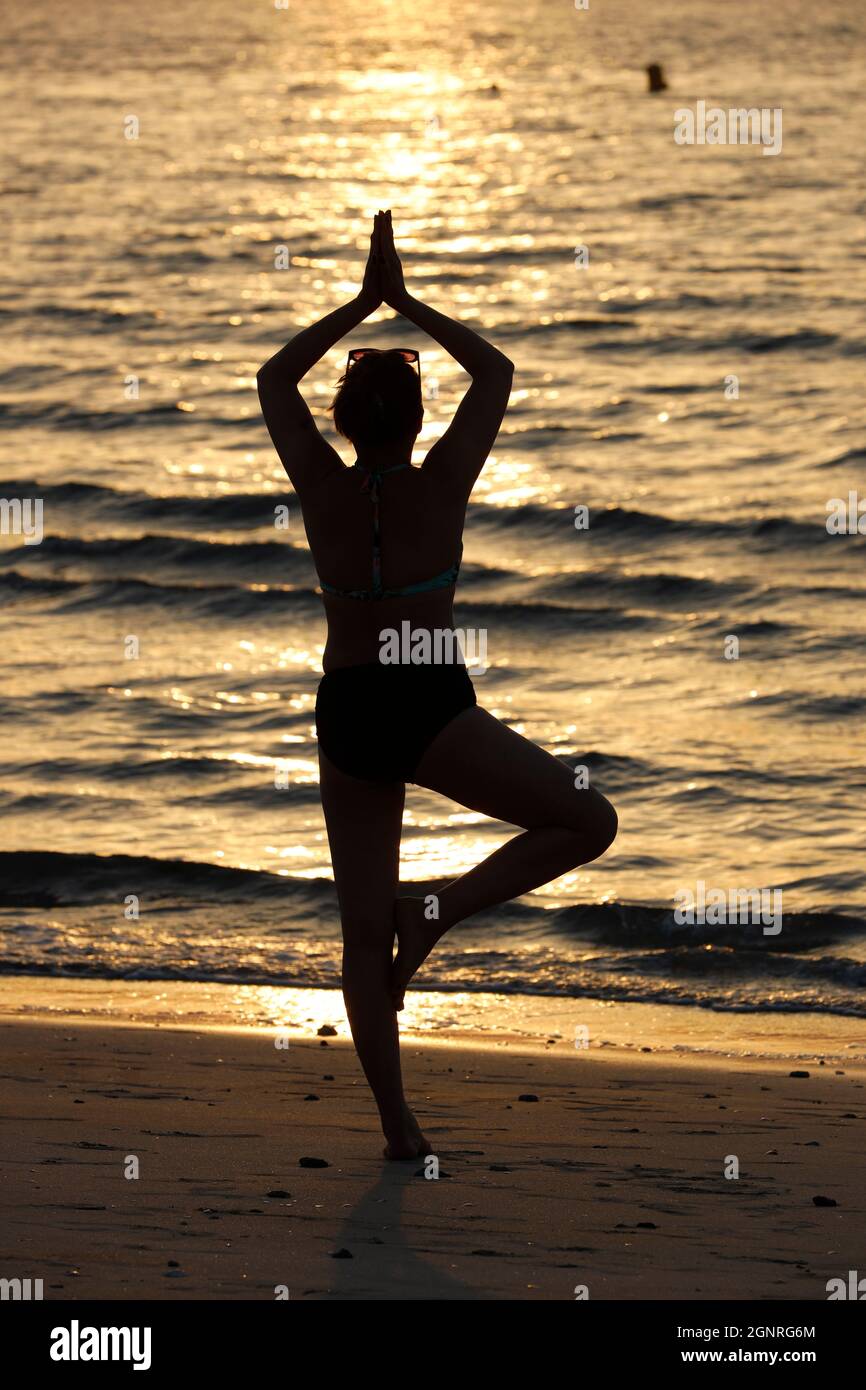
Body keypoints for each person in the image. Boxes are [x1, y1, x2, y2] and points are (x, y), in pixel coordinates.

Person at [257, 211, 618, 1158]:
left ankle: (397, 1131)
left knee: (358, 936)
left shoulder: (321, 489)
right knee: (589, 821)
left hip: (348, 712)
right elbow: (495, 374)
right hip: (424, 702)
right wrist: (406, 301)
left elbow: (270, 379)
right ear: (418, 421)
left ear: (342, 421)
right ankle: (443, 909)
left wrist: (356, 305)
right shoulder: (443, 481)